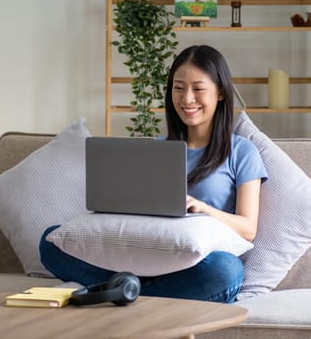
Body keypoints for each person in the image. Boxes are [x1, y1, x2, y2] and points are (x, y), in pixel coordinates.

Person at [39, 45, 267, 303]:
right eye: (178, 88)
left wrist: (203, 209)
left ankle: (125, 292)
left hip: (199, 264)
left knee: (226, 271)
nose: (187, 99)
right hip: (145, 256)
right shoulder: (154, 150)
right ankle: (135, 291)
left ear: (221, 93)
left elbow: (248, 228)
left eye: (198, 89)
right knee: (50, 240)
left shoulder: (242, 152)